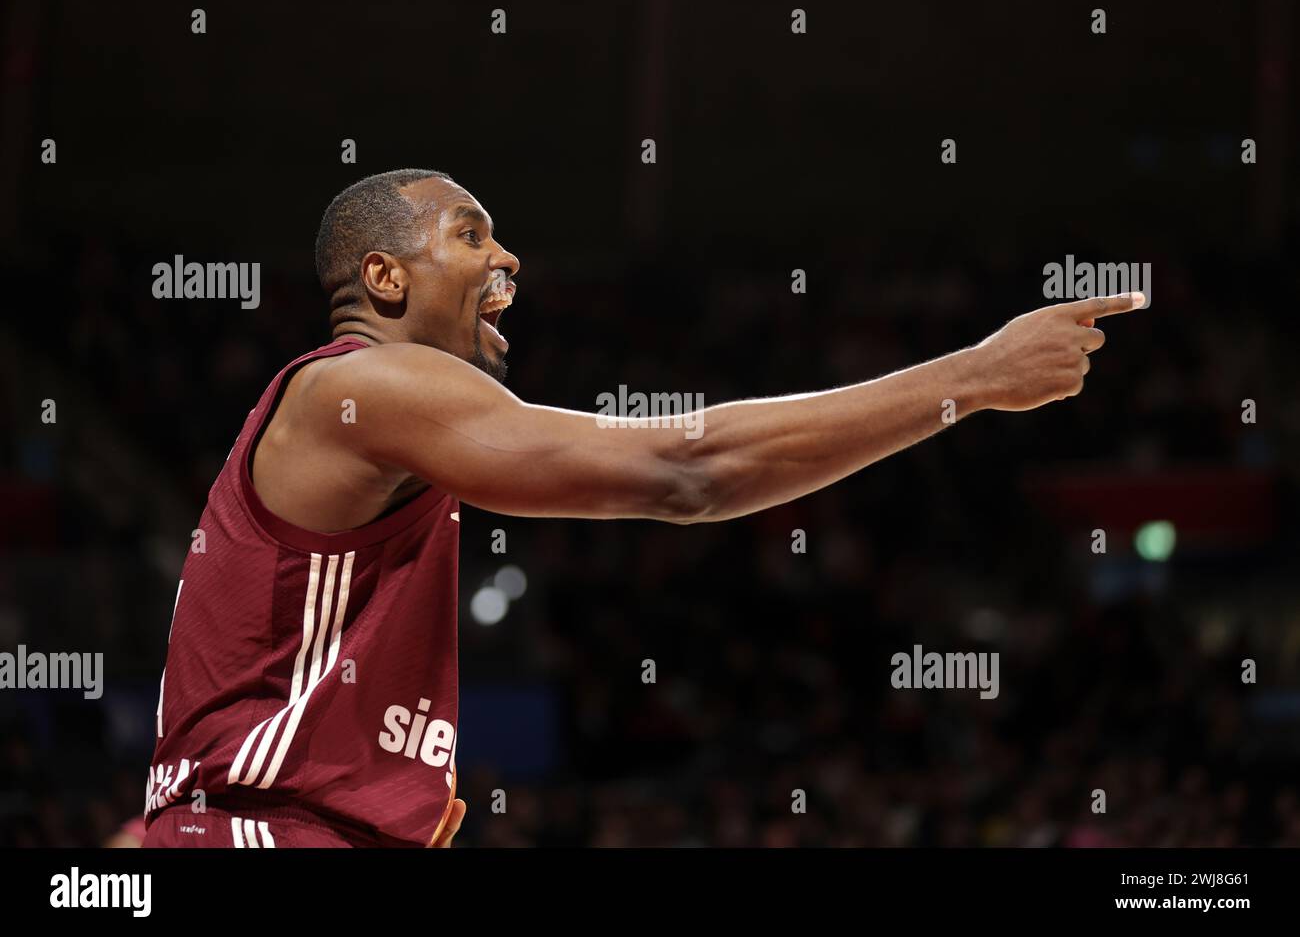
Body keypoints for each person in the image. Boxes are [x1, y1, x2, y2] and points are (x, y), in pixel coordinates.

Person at [142, 167, 1142, 847]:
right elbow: (686, 469)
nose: (510, 259)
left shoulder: (363, 418)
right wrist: (974, 375)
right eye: (470, 233)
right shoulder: (362, 386)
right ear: (383, 276)